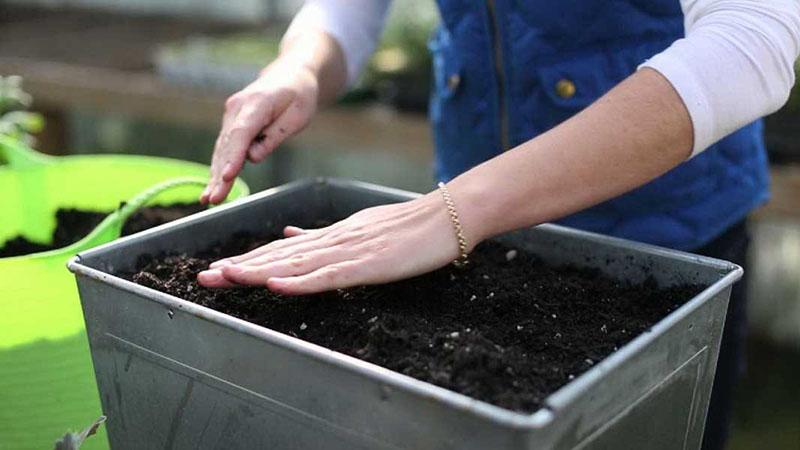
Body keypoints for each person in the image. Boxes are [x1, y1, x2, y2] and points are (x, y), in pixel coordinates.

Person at [197, 1, 800, 448]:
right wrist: (299, 67)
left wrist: (455, 209)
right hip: (473, 242)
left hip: (663, 238)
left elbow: (751, 42)